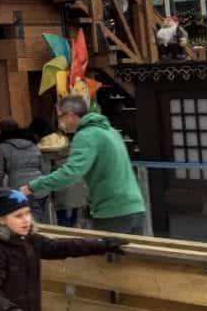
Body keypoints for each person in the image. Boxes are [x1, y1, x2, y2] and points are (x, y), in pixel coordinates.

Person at [23, 94, 147, 235]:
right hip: (135, 207)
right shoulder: (111, 131)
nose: (59, 122)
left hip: (112, 211)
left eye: (60, 117)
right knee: (133, 257)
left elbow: (71, 172)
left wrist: (32, 186)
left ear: (70, 115)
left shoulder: (86, 135)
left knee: (103, 256)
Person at [0, 118, 49, 224]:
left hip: (20, 189)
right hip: (40, 187)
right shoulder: (33, 144)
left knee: (25, 221)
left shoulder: (0, 147)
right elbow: (43, 168)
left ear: (3, 131)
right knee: (38, 219)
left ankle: (30, 239)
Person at [29, 118, 86, 228]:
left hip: (60, 184)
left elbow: (46, 170)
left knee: (62, 219)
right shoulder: (64, 139)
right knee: (75, 217)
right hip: (76, 181)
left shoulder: (42, 146)